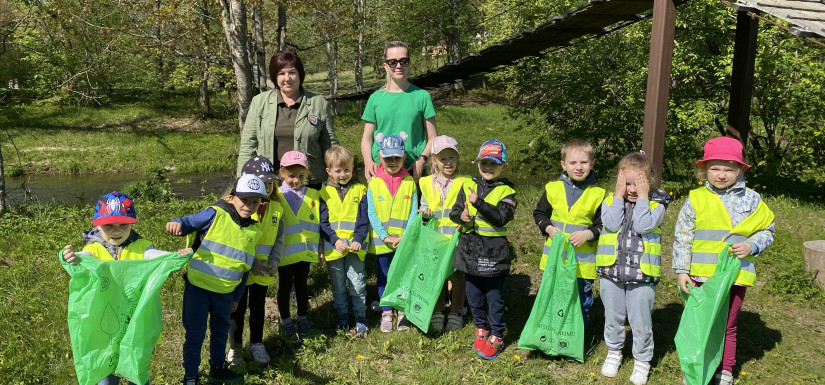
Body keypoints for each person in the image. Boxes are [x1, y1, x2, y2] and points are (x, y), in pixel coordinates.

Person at [673, 136, 775, 385]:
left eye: (729, 169)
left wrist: (752, 245)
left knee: (728, 325)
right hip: (699, 276)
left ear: (740, 169)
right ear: (704, 169)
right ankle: (697, 369)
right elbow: (683, 236)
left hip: (735, 276)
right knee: (701, 323)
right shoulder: (695, 198)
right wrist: (681, 270)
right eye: (715, 168)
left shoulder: (753, 200)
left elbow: (767, 229)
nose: (721, 174)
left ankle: (725, 369)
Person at [61, 191, 189, 385]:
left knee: (135, 371)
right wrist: (71, 256)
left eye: (123, 224)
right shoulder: (94, 249)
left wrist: (173, 256)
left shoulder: (141, 247)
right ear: (97, 225)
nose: (116, 230)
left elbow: (153, 255)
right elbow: (84, 257)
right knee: (105, 374)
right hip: (105, 325)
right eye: (109, 225)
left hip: (134, 322)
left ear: (132, 223)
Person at [166, 174, 269, 385]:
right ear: (232, 198)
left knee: (220, 333)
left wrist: (237, 297)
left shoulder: (253, 231)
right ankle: (191, 376)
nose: (249, 206)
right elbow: (190, 222)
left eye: (255, 201)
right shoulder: (216, 214)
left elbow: (245, 268)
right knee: (195, 334)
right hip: (198, 289)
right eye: (245, 200)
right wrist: (177, 223)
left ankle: (217, 368)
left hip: (225, 294)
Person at [596, 152, 670, 385]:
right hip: (611, 273)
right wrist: (618, 196)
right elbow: (610, 223)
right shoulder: (609, 200)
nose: (633, 189)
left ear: (650, 182)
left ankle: (642, 360)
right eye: (627, 183)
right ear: (619, 181)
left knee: (640, 322)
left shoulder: (657, 204)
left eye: (639, 183)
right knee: (613, 317)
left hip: (642, 275)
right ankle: (614, 352)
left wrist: (645, 198)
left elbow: (642, 224)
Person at [450, 140, 517, 360]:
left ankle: (497, 334)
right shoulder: (468, 185)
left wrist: (478, 203)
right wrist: (462, 216)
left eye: (494, 164)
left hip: (494, 254)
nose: (488, 168)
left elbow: (500, 218)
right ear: (477, 163)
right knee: (474, 296)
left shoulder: (507, 191)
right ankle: (481, 329)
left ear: (503, 167)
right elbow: (454, 212)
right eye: (484, 163)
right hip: (470, 250)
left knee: (494, 298)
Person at [238, 50, 338, 189]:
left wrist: (337, 178)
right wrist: (242, 180)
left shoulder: (318, 103)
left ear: (300, 74)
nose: (287, 78)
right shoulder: (259, 102)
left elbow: (330, 145)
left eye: (292, 72)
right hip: (269, 182)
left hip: (309, 182)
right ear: (274, 76)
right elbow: (248, 145)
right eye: (281, 73)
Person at [532, 138, 604, 328]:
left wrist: (588, 234)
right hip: (555, 260)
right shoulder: (552, 188)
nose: (578, 167)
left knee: (580, 302)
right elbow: (539, 213)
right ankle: (551, 335)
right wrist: (548, 229)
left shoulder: (600, 194)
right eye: (573, 162)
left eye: (584, 162)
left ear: (592, 163)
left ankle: (574, 342)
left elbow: (603, 225)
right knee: (553, 299)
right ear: (563, 165)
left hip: (583, 266)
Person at [227, 157, 284, 366]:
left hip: (263, 271)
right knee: (237, 309)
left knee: (258, 306)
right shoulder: (240, 209)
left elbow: (279, 239)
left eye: (270, 183)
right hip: (241, 269)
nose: (267, 188)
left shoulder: (277, 208)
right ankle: (235, 348)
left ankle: (257, 343)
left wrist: (275, 261)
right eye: (263, 183)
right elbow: (234, 241)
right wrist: (251, 264)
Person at [361, 41, 438, 181]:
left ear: (409, 63)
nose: (398, 66)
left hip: (412, 169)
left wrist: (422, 160)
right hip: (381, 170)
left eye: (403, 61)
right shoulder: (375, 98)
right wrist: (368, 162)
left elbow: (433, 137)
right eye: (393, 62)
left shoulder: (422, 96)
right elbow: (367, 138)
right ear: (385, 66)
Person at [366, 132, 419, 332]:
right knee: (384, 275)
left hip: (404, 241)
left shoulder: (409, 182)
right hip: (383, 241)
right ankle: (387, 311)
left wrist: (405, 236)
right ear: (380, 157)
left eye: (397, 157)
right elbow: (371, 212)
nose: (393, 162)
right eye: (388, 158)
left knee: (404, 274)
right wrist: (384, 235)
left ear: (404, 157)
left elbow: (413, 211)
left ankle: (402, 311)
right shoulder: (373, 183)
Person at [418, 135, 469, 333]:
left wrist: (465, 223)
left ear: (458, 159)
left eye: (452, 158)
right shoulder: (426, 183)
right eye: (443, 159)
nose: (448, 163)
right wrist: (424, 215)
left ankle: (456, 311)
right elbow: (423, 208)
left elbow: (469, 210)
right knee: (436, 276)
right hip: (435, 239)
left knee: (457, 277)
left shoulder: (465, 182)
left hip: (457, 239)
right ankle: (438, 310)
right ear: (434, 161)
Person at [319, 146, 370, 337]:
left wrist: (358, 239)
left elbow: (363, 218)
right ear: (329, 171)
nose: (343, 174)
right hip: (335, 249)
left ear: (353, 168)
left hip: (356, 248)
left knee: (357, 284)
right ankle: (342, 317)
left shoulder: (361, 190)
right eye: (338, 170)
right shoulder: (323, 193)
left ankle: (360, 319)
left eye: (347, 170)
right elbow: (322, 223)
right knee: (338, 285)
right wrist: (334, 240)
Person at [275, 150, 321, 343]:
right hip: (284, 252)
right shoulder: (276, 194)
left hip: (305, 251)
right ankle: (286, 321)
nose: (296, 180)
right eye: (292, 176)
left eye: (301, 176)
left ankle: (302, 317)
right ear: (283, 174)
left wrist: (319, 248)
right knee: (285, 285)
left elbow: (318, 223)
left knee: (302, 285)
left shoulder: (313, 195)